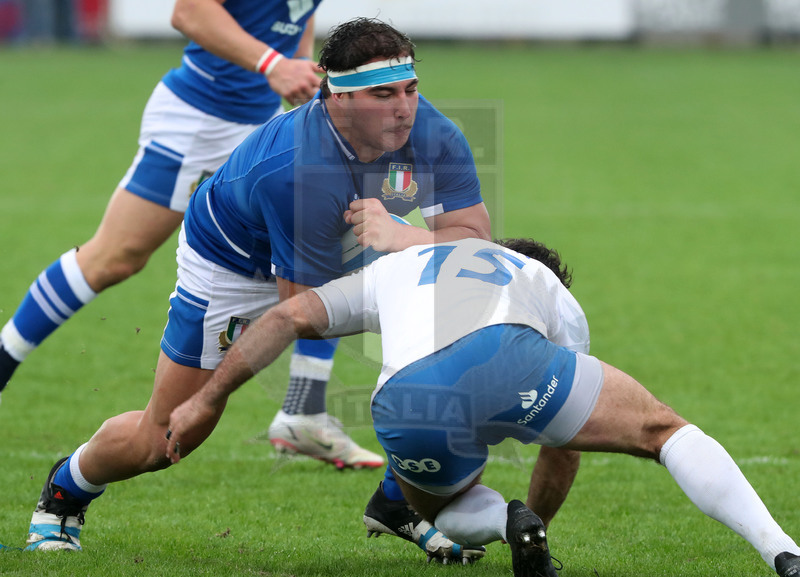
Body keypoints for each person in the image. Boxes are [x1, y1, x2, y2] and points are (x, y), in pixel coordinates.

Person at [20, 18, 542, 562]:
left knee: (466, 345)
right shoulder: (295, 170)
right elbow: (301, 312)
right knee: (164, 439)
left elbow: (475, 239)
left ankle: (395, 502)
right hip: (232, 268)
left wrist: (403, 236)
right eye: (382, 94)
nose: (403, 108)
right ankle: (65, 490)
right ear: (336, 98)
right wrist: (211, 397)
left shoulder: (433, 133)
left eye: (410, 89)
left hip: (344, 249)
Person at [164, 236, 800, 577]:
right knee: (662, 431)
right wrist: (544, 526)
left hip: (409, 399)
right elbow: (563, 448)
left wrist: (207, 398)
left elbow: (289, 316)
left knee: (433, 507)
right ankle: (781, 551)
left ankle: (502, 523)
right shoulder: (543, 284)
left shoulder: (402, 264)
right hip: (514, 359)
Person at [0, 0, 386, 470]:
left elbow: (294, 18)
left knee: (323, 240)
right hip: (199, 117)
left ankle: (304, 409)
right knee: (114, 259)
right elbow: (188, 11)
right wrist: (272, 64)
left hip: (264, 123)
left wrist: (301, 72)